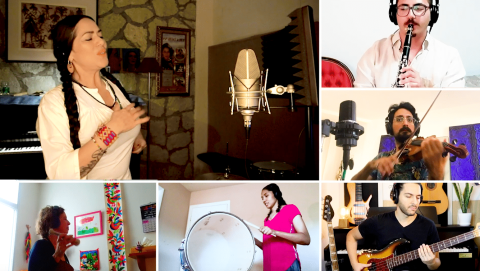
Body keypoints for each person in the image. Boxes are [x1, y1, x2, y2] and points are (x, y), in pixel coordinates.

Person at [36, 15, 149, 179]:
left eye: (100, 36)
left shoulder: (114, 86)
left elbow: (123, 121)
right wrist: (112, 130)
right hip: (84, 197)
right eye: (89, 38)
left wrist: (134, 134)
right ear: (69, 55)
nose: (101, 42)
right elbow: (60, 174)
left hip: (116, 193)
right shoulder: (53, 102)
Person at [354, 0, 465, 88]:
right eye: (403, 8)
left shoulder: (450, 57)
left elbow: (453, 107)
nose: (411, 15)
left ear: (433, 13)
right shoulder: (374, 54)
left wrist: (425, 91)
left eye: (418, 8)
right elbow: (360, 103)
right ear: (394, 14)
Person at [346, 183, 441, 271]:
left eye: (418, 197)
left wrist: (431, 262)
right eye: (408, 196)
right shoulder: (379, 221)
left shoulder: (429, 225)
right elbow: (351, 236)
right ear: (395, 196)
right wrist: (354, 264)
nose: (415, 202)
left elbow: (436, 263)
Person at [351, 102, 447, 180]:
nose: (405, 123)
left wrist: (437, 173)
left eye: (410, 120)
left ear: (415, 126)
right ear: (390, 126)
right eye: (399, 119)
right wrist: (370, 166)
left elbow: (430, 194)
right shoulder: (382, 157)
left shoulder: (426, 158)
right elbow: (353, 183)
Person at [254, 183, 310, 271]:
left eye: (266, 196)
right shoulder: (266, 220)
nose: (264, 200)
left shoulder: (290, 209)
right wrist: (254, 241)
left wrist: (274, 232)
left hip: (288, 265)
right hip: (269, 268)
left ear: (276, 194)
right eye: (262, 198)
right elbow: (269, 247)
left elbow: (306, 239)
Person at [29, 206, 77, 271]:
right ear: (54, 221)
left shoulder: (61, 250)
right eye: (65, 219)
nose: (69, 223)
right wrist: (57, 256)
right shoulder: (40, 246)